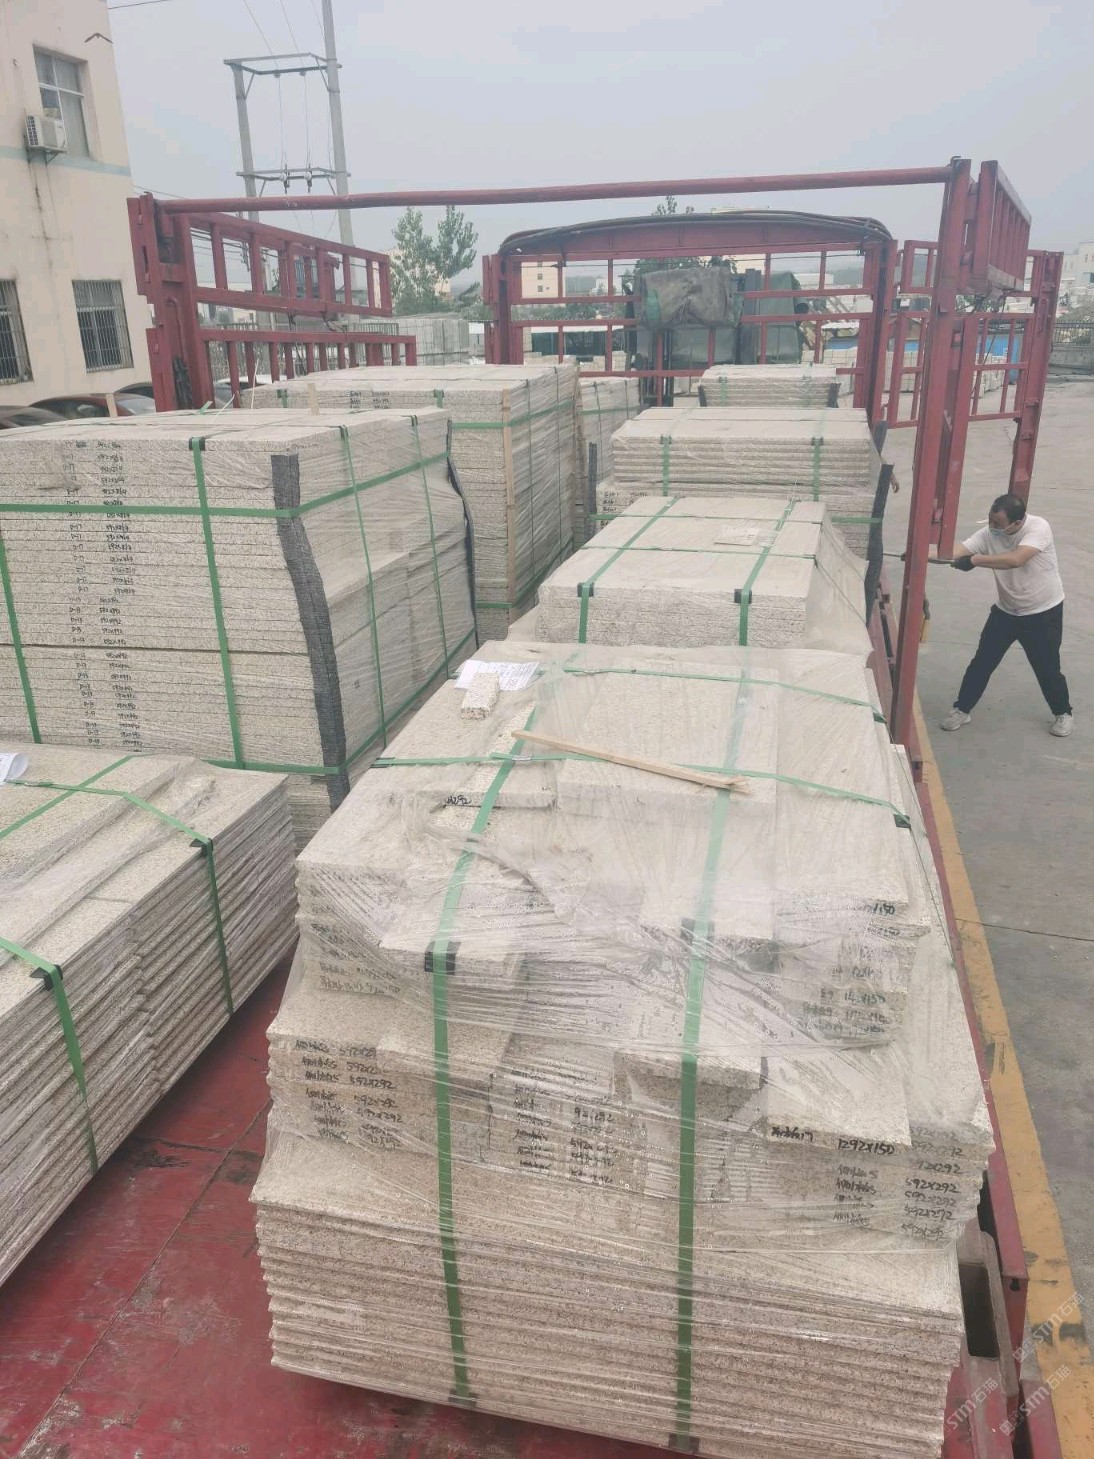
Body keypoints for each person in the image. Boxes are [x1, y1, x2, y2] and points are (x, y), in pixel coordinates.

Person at [941, 493, 1072, 737]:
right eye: (990, 520)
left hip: (1042, 613)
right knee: (982, 663)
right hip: (1006, 612)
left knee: (1047, 668)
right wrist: (920, 553)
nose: (992, 526)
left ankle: (1063, 712)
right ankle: (962, 709)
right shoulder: (988, 533)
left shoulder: (1038, 528)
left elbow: (1015, 559)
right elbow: (955, 551)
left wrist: (974, 560)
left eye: (998, 523)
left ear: (1017, 522)